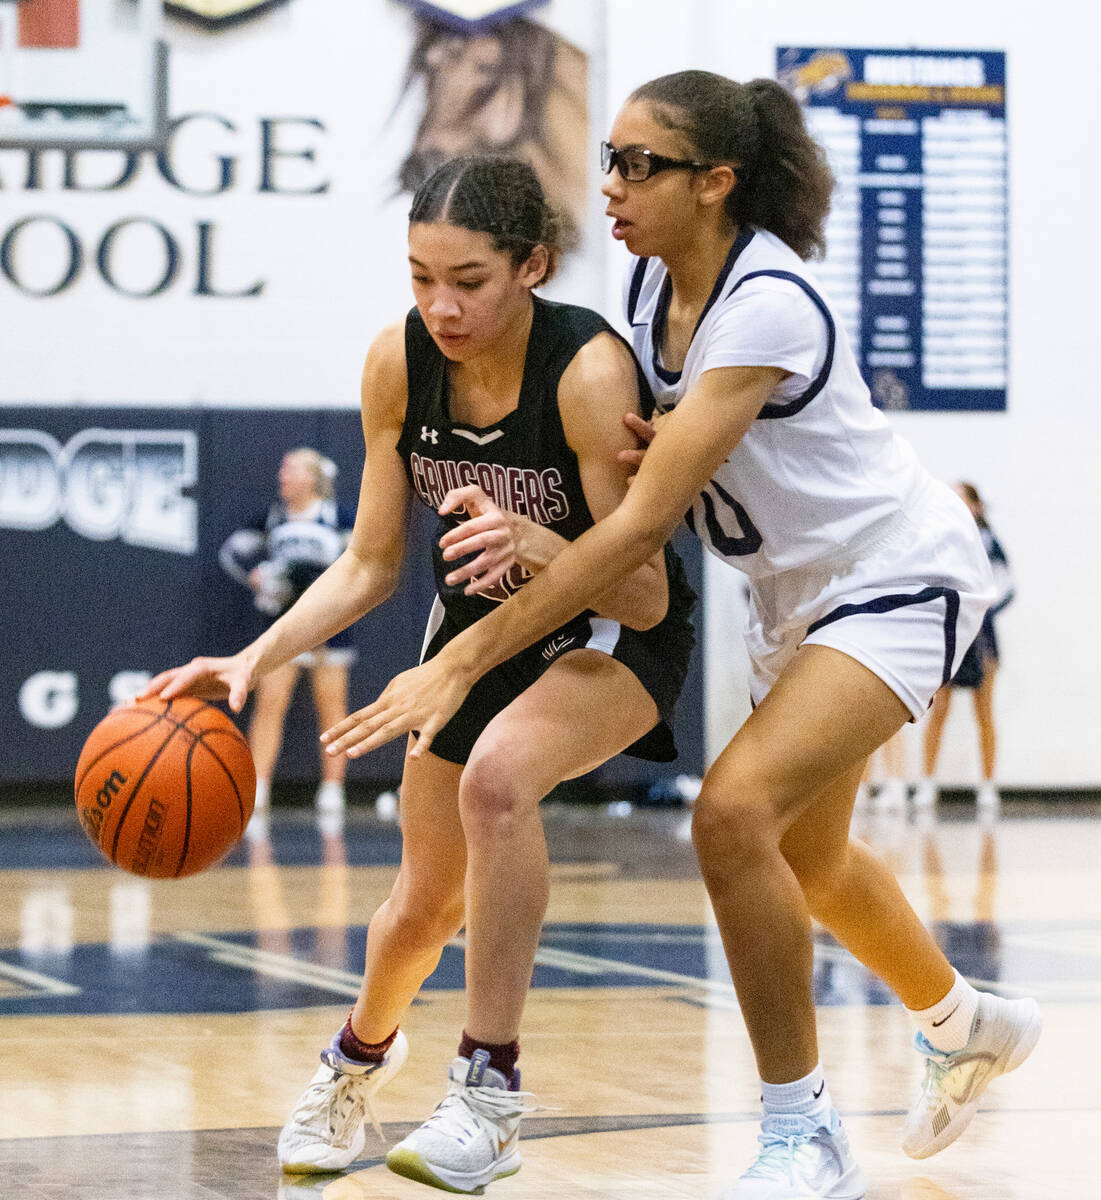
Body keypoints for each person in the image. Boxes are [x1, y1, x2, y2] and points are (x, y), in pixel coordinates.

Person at [329, 72, 1042, 1199]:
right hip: (791, 598)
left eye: (639, 165)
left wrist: (460, 657)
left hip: (893, 574)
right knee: (809, 861)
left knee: (733, 817)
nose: (610, 185)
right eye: (608, 158)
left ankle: (802, 1130)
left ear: (717, 182)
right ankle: (963, 1020)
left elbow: (642, 532)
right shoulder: (652, 279)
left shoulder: (766, 301)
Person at [141, 156, 695, 1193]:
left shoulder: (584, 371)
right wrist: (253, 659)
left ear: (532, 265)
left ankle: (488, 1094)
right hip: (480, 622)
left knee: (496, 780)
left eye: (470, 280)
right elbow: (370, 563)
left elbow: (647, 591)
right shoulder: (398, 363)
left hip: (609, 628)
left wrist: (537, 545)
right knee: (420, 904)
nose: (440, 305)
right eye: (419, 276)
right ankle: (356, 1058)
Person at [218, 448, 355, 813]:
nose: (283, 475)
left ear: (312, 478)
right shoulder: (273, 517)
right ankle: (257, 787)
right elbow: (232, 552)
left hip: (330, 627)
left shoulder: (338, 517)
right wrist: (257, 577)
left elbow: (362, 564)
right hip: (281, 625)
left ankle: (332, 790)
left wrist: (333, 600)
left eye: (290, 469)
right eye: (282, 469)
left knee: (332, 708)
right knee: (269, 703)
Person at [915, 481, 1015, 812]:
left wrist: (979, 612)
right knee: (937, 710)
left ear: (977, 506)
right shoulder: (940, 541)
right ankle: (927, 785)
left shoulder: (989, 543)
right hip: (949, 636)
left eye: (962, 499)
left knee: (984, 713)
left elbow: (1007, 587)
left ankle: (988, 787)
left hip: (982, 639)